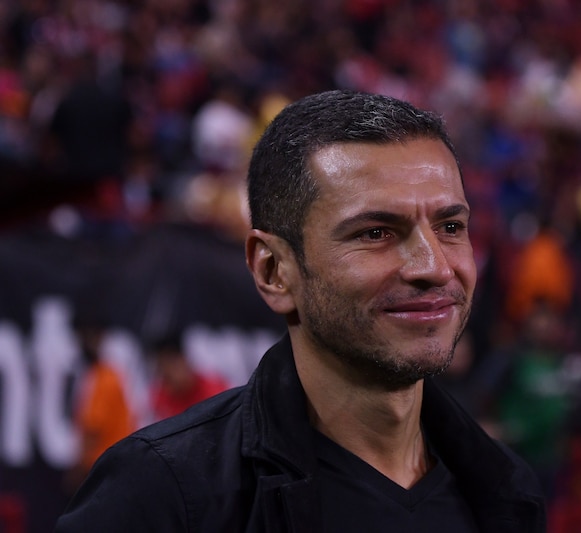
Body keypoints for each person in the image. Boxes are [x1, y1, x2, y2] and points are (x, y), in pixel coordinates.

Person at [56, 90, 547, 532]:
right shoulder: (161, 496)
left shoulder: (505, 490)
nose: (434, 268)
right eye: (375, 232)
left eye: (450, 227)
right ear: (273, 270)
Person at [63, 322, 136, 495]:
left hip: (103, 466)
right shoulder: (104, 374)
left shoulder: (104, 378)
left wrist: (78, 469)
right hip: (111, 464)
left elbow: (94, 427)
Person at [148, 334, 230, 422]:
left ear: (184, 360)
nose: (169, 372)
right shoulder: (159, 399)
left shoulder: (215, 390)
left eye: (173, 365)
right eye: (162, 369)